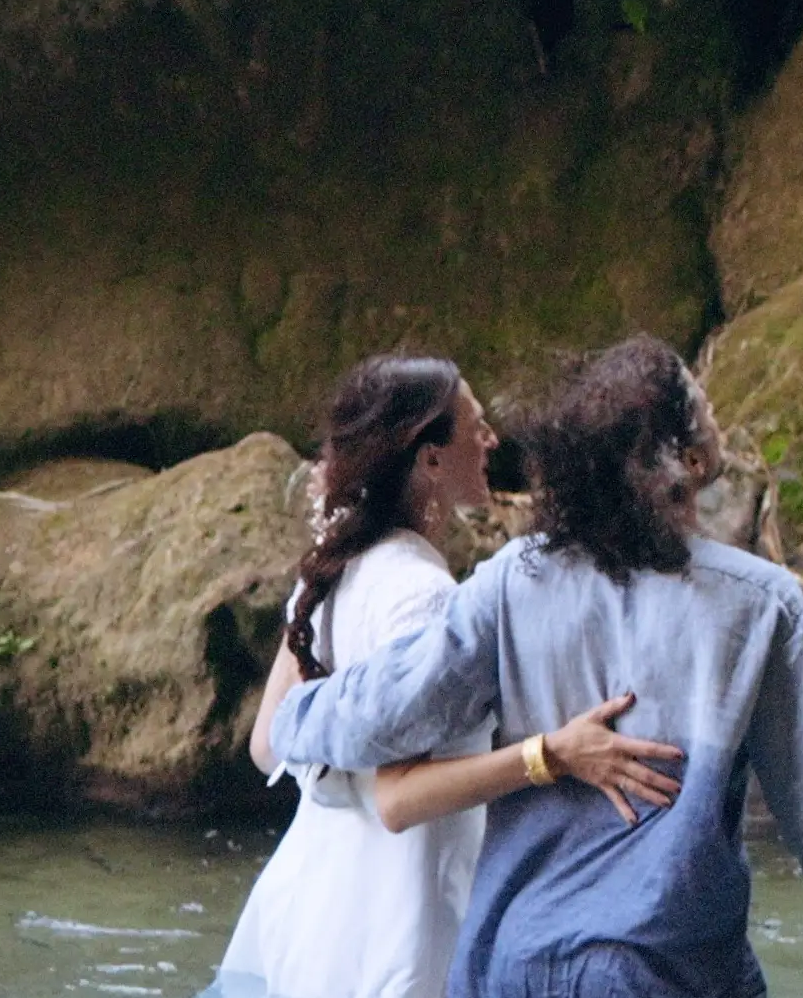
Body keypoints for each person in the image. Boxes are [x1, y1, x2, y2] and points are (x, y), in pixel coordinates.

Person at [273, 337, 803, 998]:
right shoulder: (761, 605)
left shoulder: (514, 580)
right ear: (692, 457)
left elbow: (383, 708)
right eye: (702, 402)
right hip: (660, 967)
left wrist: (295, 715)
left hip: (509, 961)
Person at [213, 354, 679, 998]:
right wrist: (554, 755)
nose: (492, 440)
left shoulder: (329, 572)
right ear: (430, 459)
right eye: (476, 426)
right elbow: (399, 799)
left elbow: (269, 744)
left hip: (306, 904)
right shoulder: (422, 597)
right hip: (394, 913)